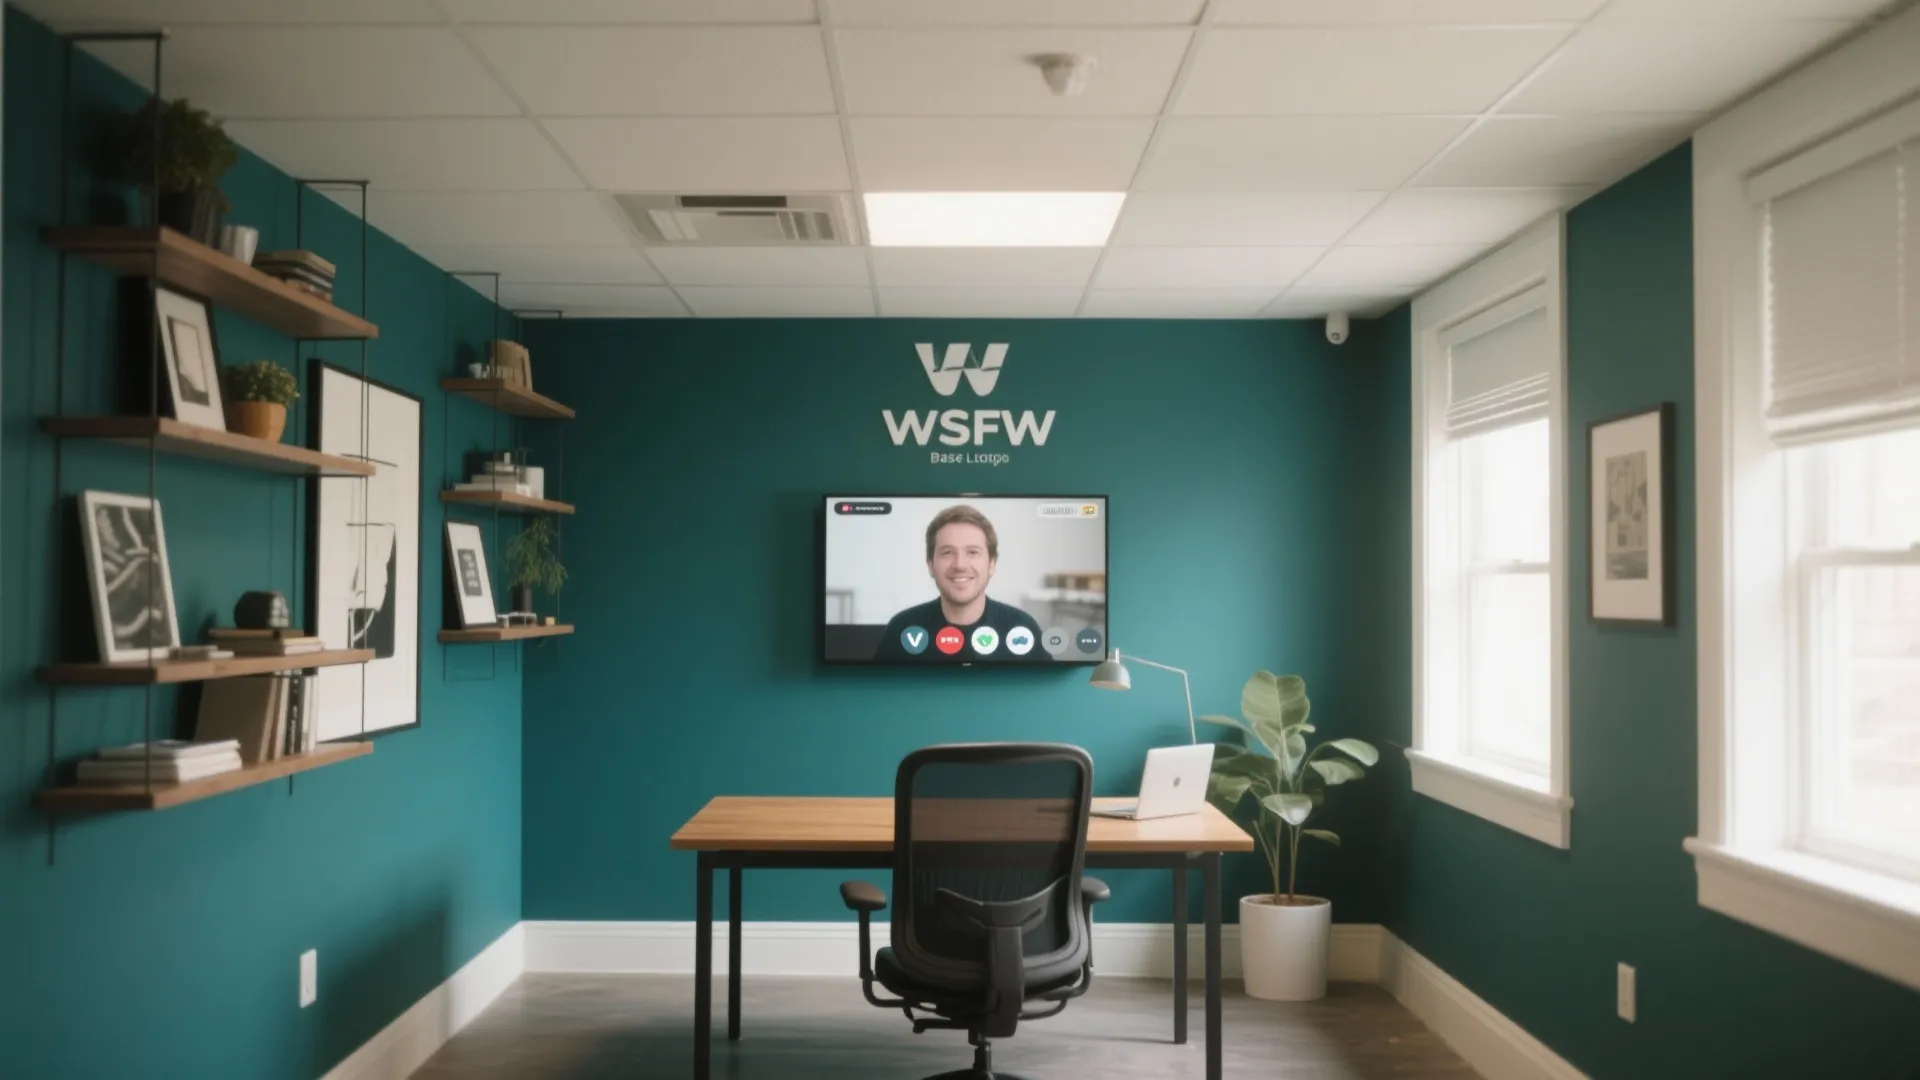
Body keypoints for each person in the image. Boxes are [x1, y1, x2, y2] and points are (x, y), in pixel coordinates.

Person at [874, 504, 1049, 662]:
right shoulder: (901, 629)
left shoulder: (1022, 628)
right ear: (930, 565)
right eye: (947, 552)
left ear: (992, 564)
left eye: (973, 552)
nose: (959, 565)